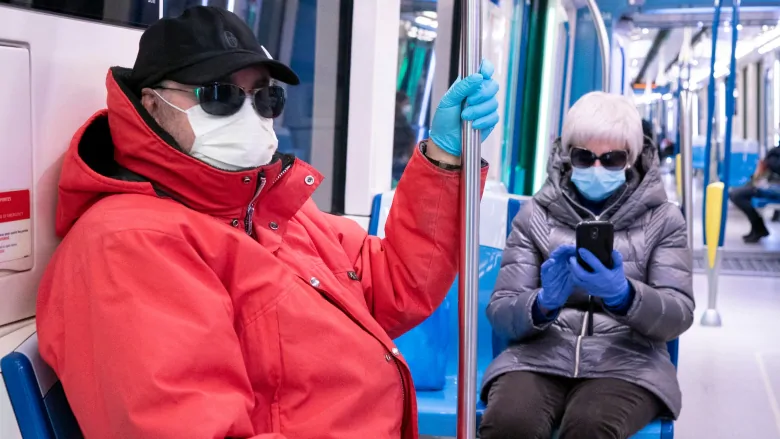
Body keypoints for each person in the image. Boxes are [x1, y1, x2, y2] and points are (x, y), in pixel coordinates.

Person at [36, 7, 500, 439]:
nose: (249, 113)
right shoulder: (128, 247)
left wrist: (444, 159)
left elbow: (398, 283)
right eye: (220, 96)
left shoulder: (270, 211)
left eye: (265, 97)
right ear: (153, 105)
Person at [478, 92, 694, 439]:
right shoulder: (535, 216)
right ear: (567, 156)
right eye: (584, 157)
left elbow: (678, 314)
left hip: (628, 363)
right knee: (508, 424)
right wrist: (544, 303)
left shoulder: (663, 220)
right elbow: (502, 312)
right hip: (539, 357)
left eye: (611, 159)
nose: (596, 169)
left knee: (590, 428)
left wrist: (624, 296)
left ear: (631, 159)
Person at [729, 140, 780, 243]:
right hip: (769, 184)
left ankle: (759, 227)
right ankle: (758, 227)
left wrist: (768, 162)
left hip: (775, 188)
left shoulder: (774, 153)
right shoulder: (775, 151)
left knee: (737, 195)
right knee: (735, 194)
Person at [393, 91, 417, 182]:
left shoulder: (401, 121)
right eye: (406, 104)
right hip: (399, 161)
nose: (408, 107)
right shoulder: (400, 123)